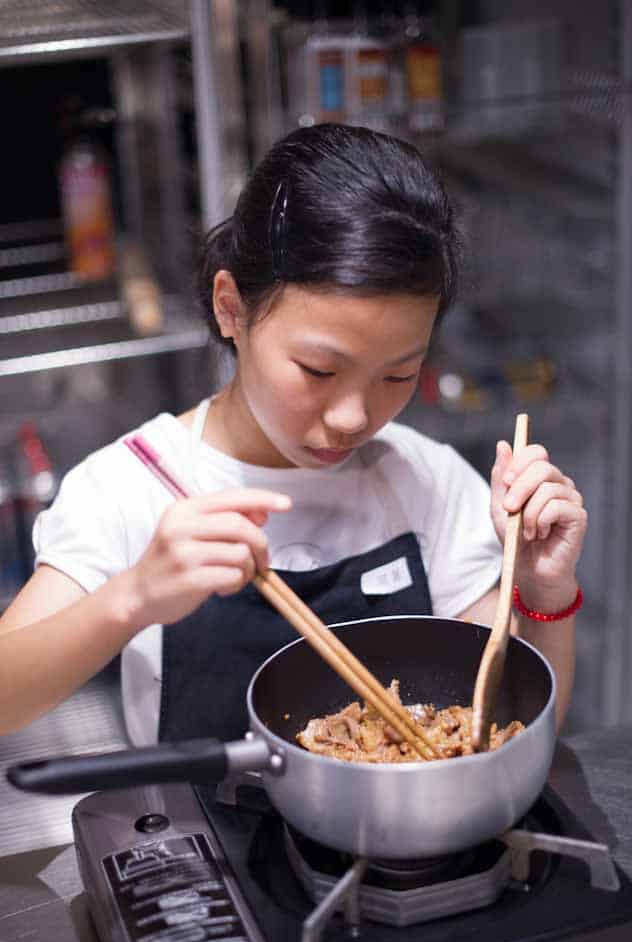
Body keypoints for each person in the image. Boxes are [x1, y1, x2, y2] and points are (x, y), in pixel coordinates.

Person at [0, 123, 586, 747]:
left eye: (397, 375)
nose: (352, 417)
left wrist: (545, 589)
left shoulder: (426, 481)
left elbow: (506, 732)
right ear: (231, 307)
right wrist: (133, 597)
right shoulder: (133, 485)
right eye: (319, 370)